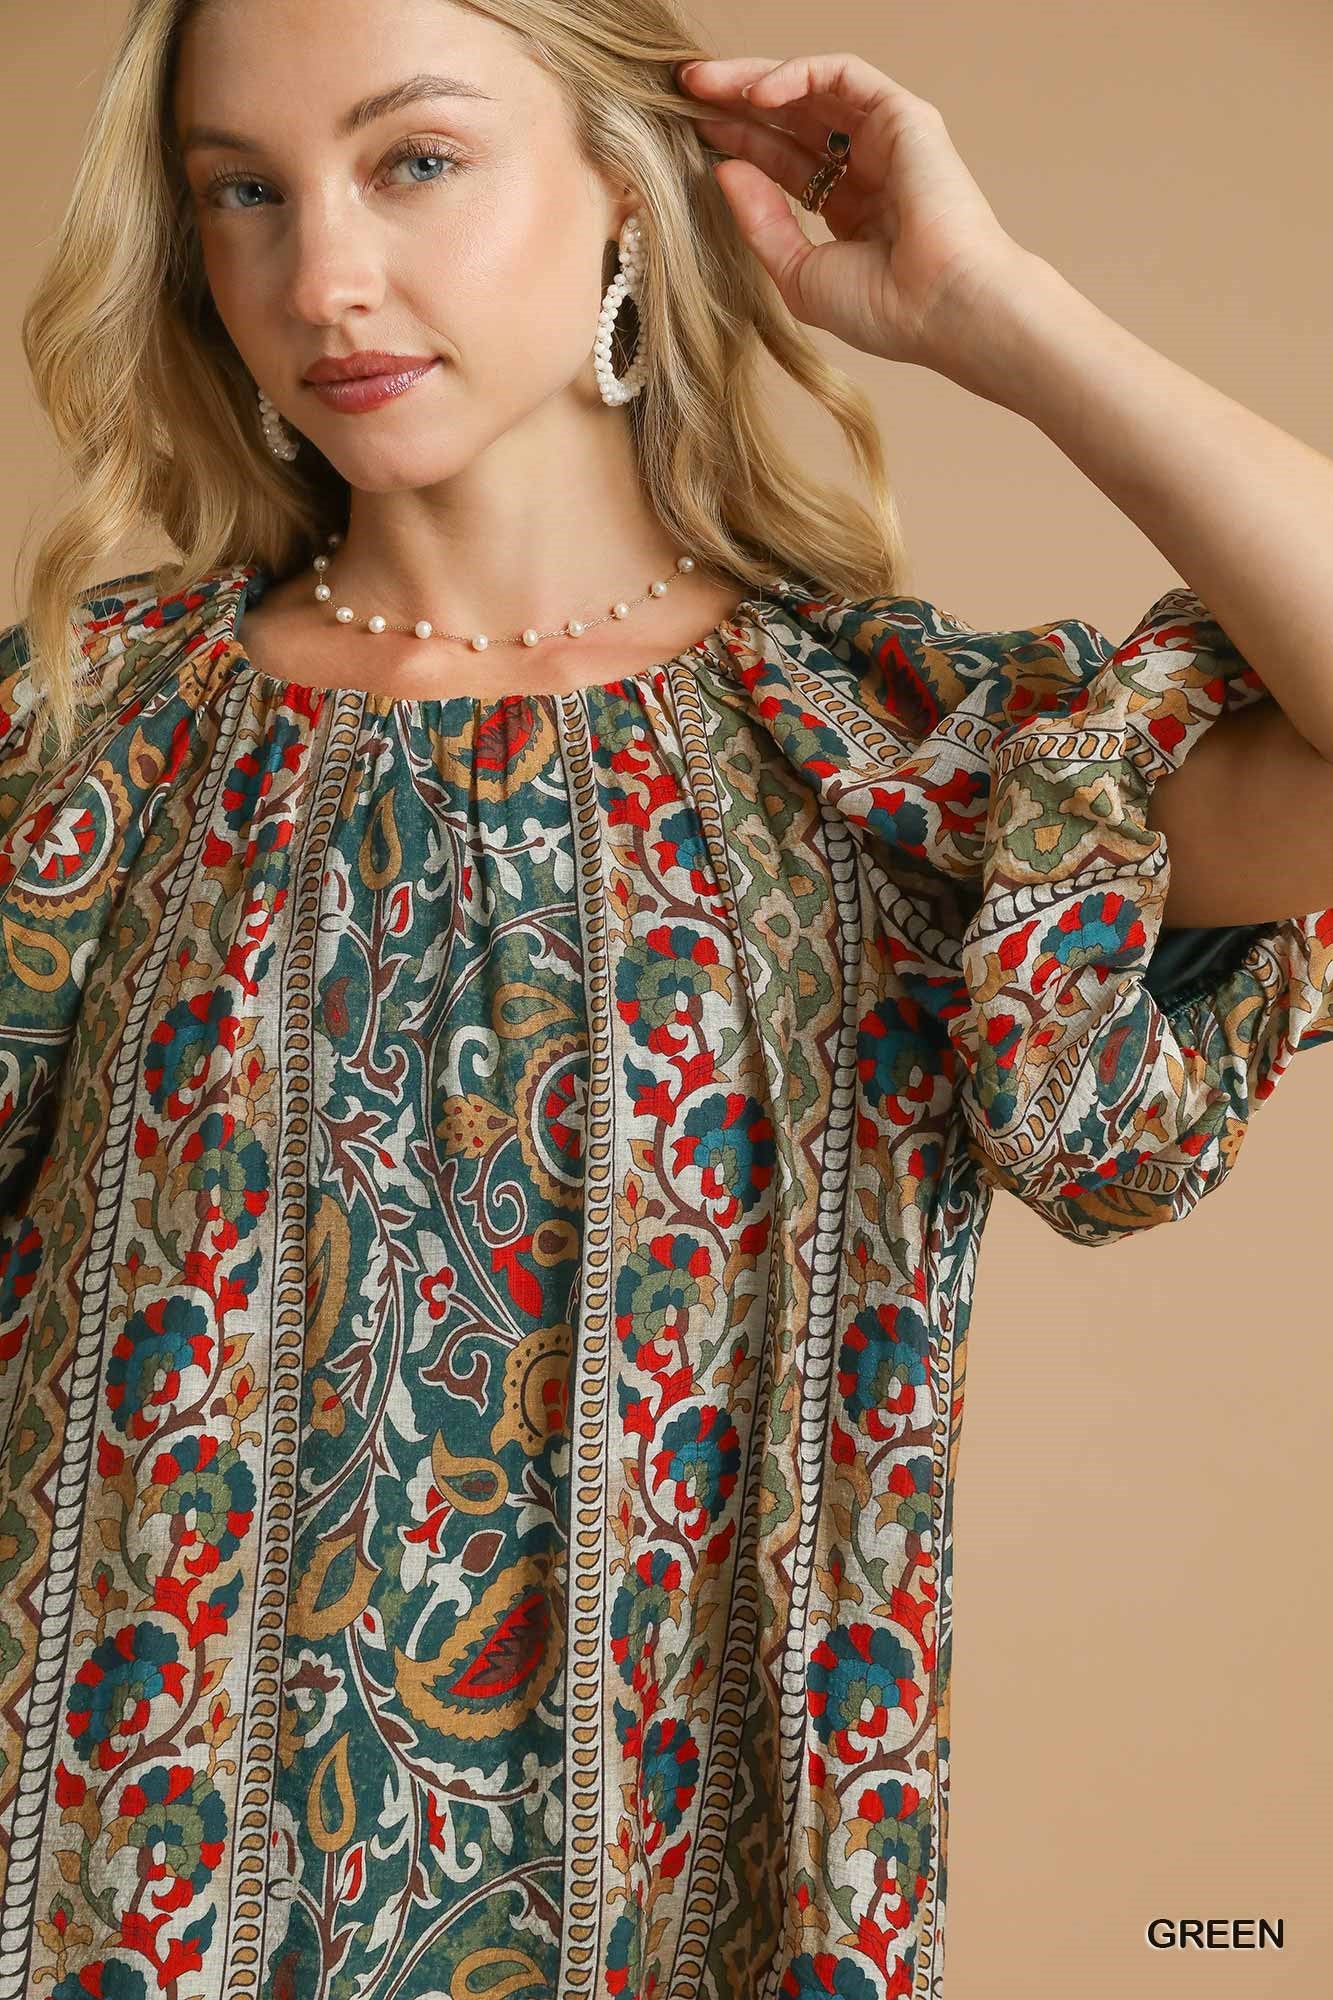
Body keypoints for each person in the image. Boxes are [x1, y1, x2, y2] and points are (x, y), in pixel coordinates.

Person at [2, 3, 1331, 1997]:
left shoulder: (877, 765)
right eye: (242, 193)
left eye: (414, 160)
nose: (320, 275)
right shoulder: (81, 742)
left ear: (628, 189)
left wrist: (999, 312)